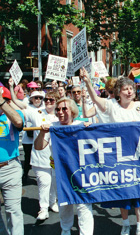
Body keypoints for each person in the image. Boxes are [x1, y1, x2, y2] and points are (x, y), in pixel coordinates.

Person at [80, 67, 140, 235]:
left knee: (139, 192)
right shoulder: (111, 106)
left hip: (138, 157)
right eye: (125, 89)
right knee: (122, 192)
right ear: (118, 92)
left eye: (131, 88)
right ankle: (125, 224)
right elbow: (95, 100)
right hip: (118, 157)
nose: (129, 91)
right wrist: (88, 82)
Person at [34, 97, 94, 235]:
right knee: (64, 204)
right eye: (58, 109)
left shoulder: (81, 124)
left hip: (81, 172)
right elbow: (39, 147)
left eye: (64, 109)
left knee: (83, 204)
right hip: (60, 172)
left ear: (72, 111)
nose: (60, 112)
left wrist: (91, 129)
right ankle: (65, 230)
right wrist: (43, 132)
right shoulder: (52, 126)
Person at [23, 92, 60, 220]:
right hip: (40, 156)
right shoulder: (36, 113)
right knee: (44, 182)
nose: (48, 102)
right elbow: (21, 114)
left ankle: (52, 202)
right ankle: (43, 209)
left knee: (54, 183)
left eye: (52, 100)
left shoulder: (60, 114)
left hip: (56, 157)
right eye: (47, 100)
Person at [9, 78, 45, 184]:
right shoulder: (27, 106)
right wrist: (11, 87)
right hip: (28, 138)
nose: (38, 99)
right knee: (28, 157)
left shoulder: (45, 107)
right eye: (35, 98)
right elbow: (14, 101)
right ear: (31, 99)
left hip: (40, 137)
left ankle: (42, 176)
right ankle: (25, 175)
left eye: (39, 98)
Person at [0, 85, 25, 235]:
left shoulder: (16, 114)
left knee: (13, 211)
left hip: (10, 168)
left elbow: (18, 122)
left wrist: (1, 102)